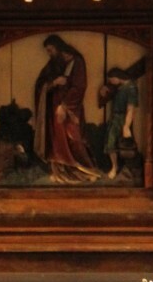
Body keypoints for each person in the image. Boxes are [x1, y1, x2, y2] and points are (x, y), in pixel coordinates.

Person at [34, 34, 102, 184]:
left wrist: (64, 106)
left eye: (50, 50)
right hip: (53, 109)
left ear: (58, 47)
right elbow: (41, 84)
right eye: (47, 51)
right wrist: (54, 83)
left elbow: (79, 87)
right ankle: (61, 172)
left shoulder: (76, 61)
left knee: (74, 138)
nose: (49, 54)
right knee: (56, 140)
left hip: (71, 109)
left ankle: (88, 170)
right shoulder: (53, 63)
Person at [99, 65, 141, 180]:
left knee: (125, 145)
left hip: (123, 119)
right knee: (110, 143)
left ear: (116, 77)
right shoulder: (121, 87)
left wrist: (126, 126)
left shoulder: (131, 87)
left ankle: (127, 169)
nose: (111, 82)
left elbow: (131, 109)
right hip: (115, 118)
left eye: (111, 80)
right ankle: (114, 167)